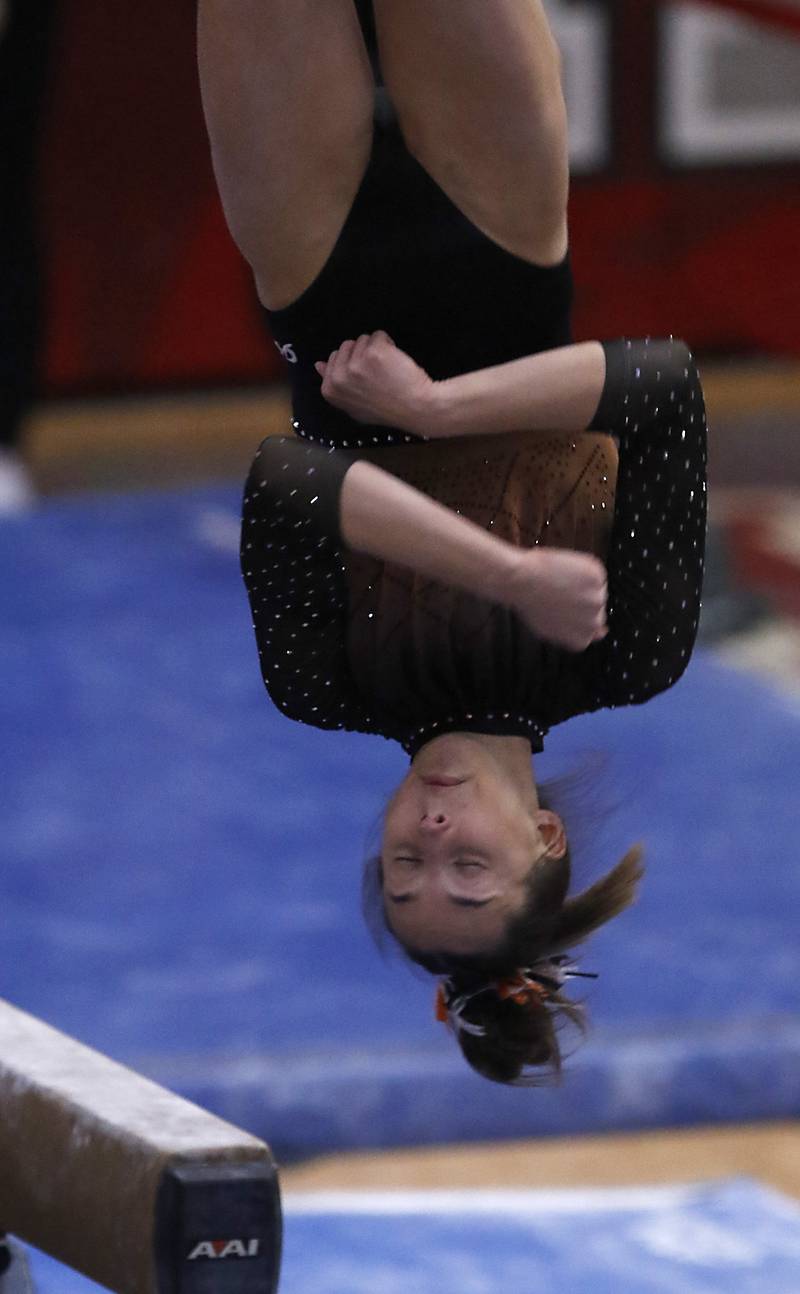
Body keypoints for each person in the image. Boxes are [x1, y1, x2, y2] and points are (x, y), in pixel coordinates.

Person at [198, 2, 708, 1084]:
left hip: (311, 265)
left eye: (401, 862)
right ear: (544, 839)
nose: (428, 827)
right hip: (502, 242)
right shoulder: (627, 654)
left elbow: (292, 481)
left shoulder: (324, 683)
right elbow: (657, 383)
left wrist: (504, 564)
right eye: (465, 862)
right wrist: (437, 410)